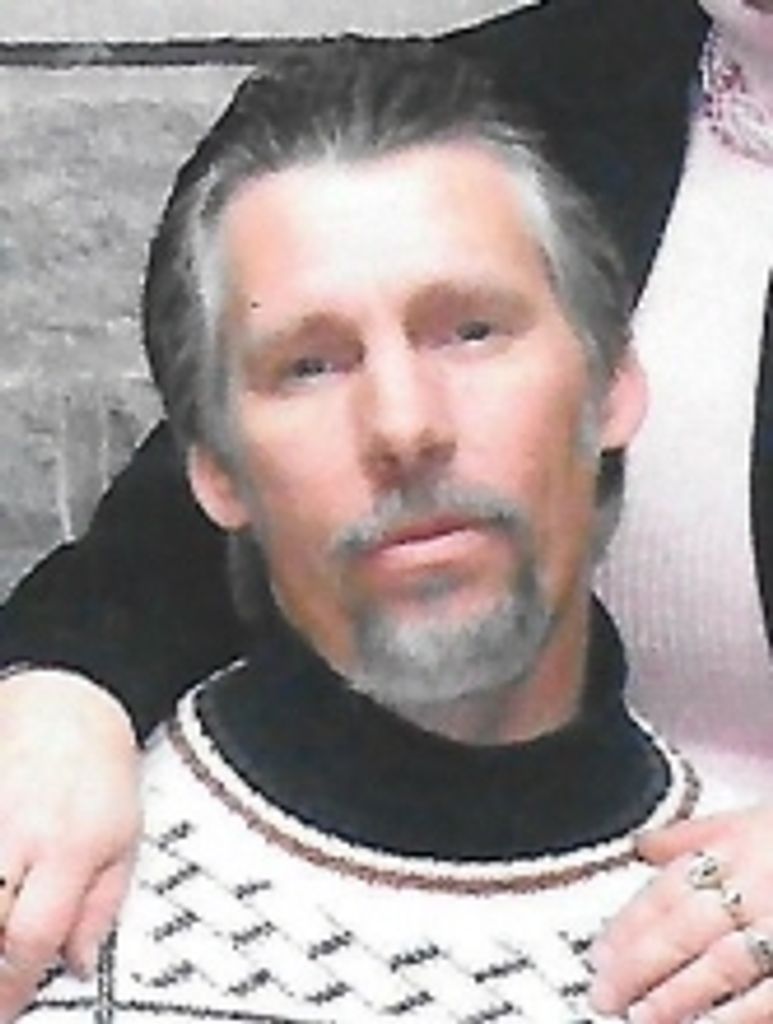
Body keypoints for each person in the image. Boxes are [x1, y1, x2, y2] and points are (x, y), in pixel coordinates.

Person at [1, 0, 773, 1019]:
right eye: (314, 366)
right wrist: (58, 692)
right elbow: (183, 534)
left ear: (616, 387)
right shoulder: (562, 90)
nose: (404, 426)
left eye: (471, 333)